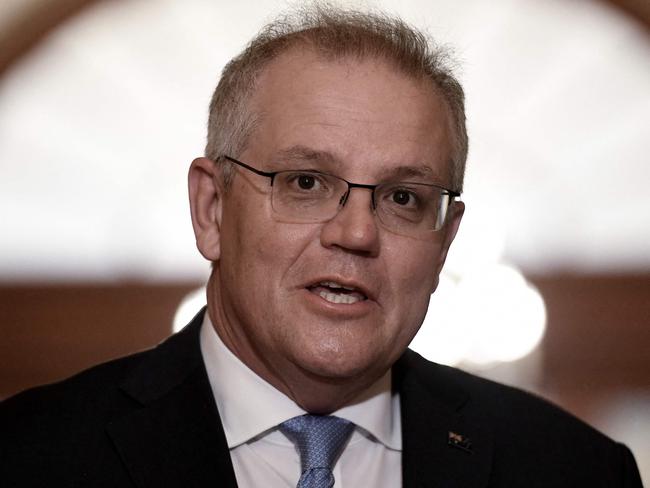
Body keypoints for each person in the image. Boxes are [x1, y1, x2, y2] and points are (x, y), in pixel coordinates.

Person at [0, 6, 643, 488]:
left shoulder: (574, 472)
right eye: (305, 183)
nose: (356, 234)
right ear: (211, 209)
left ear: (446, 241)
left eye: (402, 198)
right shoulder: (30, 459)